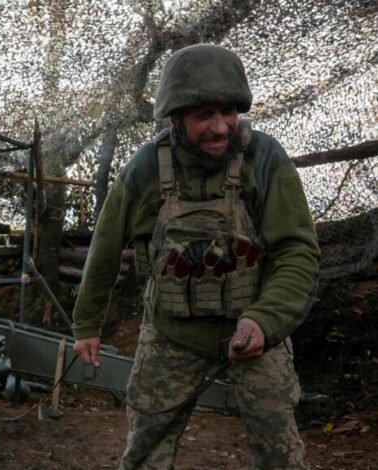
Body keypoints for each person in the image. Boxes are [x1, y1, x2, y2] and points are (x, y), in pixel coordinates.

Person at [72, 44, 320, 469]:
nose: (221, 127)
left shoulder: (265, 159)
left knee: (279, 452)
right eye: (204, 115)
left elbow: (297, 251)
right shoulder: (146, 168)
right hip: (172, 335)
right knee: (147, 446)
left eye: (228, 112)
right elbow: (106, 246)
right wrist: (87, 324)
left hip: (254, 334)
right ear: (176, 118)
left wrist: (264, 320)